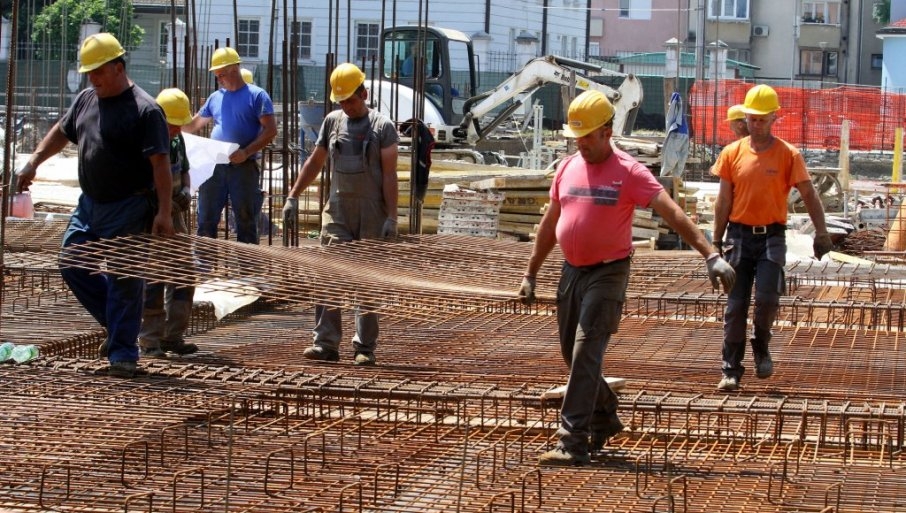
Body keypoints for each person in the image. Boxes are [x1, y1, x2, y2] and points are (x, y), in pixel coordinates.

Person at [517, 90, 735, 466]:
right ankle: (606, 416)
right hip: (571, 270)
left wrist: (711, 255)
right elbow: (549, 224)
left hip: (608, 272)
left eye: (587, 136)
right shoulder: (567, 167)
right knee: (572, 355)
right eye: (577, 137)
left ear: (607, 131)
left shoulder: (630, 172)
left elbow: (673, 213)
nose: (581, 144)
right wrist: (531, 273)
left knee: (587, 351)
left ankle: (572, 441)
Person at [15, 33, 174, 378]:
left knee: (124, 280)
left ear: (118, 68)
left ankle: (123, 355)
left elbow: (161, 164)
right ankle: (117, 326)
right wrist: (33, 162)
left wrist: (163, 212)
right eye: (89, 73)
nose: (92, 79)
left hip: (129, 206)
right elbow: (61, 129)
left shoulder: (146, 111)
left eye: (98, 72)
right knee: (71, 262)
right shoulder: (88, 99)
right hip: (90, 204)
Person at [711, 84, 832, 393]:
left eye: (763, 119)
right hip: (738, 237)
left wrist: (821, 232)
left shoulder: (788, 154)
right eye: (753, 119)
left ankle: (761, 344)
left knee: (767, 298)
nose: (757, 124)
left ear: (775, 117)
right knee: (736, 306)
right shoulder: (731, 153)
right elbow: (723, 201)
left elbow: (809, 193)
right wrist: (714, 244)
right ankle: (731, 370)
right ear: (746, 118)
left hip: (771, 238)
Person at [282, 63, 399, 366]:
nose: (347, 106)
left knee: (367, 282)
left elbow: (389, 175)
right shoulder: (333, 122)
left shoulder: (382, 127)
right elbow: (315, 161)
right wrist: (293, 195)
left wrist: (392, 217)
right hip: (338, 211)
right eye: (342, 101)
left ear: (365, 93)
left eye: (351, 99)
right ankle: (325, 344)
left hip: (372, 212)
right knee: (329, 276)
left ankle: (364, 347)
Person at [183, 46, 277, 244]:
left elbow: (270, 131)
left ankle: (247, 271)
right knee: (206, 219)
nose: (218, 80)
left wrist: (246, 152)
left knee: (245, 220)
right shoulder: (215, 98)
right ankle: (205, 269)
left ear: (234, 70)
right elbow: (193, 125)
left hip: (243, 167)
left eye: (220, 75)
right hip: (214, 167)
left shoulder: (257, 96)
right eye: (217, 75)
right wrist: (169, 125)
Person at [138, 88, 199, 358]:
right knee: (154, 276)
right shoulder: (145, 140)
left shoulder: (177, 141)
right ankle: (150, 340)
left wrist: (185, 192)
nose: (176, 130)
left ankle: (173, 336)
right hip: (153, 219)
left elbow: (184, 171)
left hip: (176, 216)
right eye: (172, 126)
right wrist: (162, 206)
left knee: (185, 274)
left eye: (178, 126)